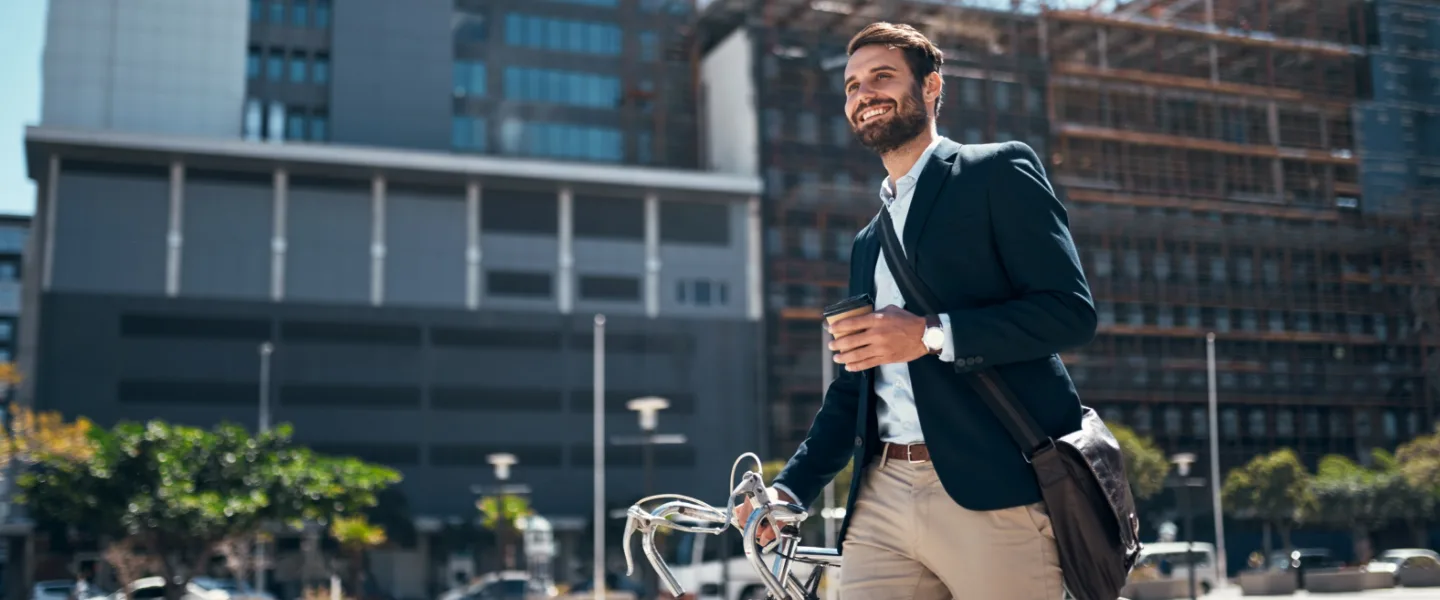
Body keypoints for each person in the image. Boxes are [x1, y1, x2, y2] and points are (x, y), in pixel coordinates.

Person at [735, 22, 1097, 600]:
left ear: (932, 87)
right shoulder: (867, 242)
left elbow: (1069, 312)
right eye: (852, 87)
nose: (864, 95)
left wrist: (931, 335)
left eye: (882, 77)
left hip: (993, 490)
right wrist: (791, 490)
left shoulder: (995, 171)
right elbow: (855, 391)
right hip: (879, 499)